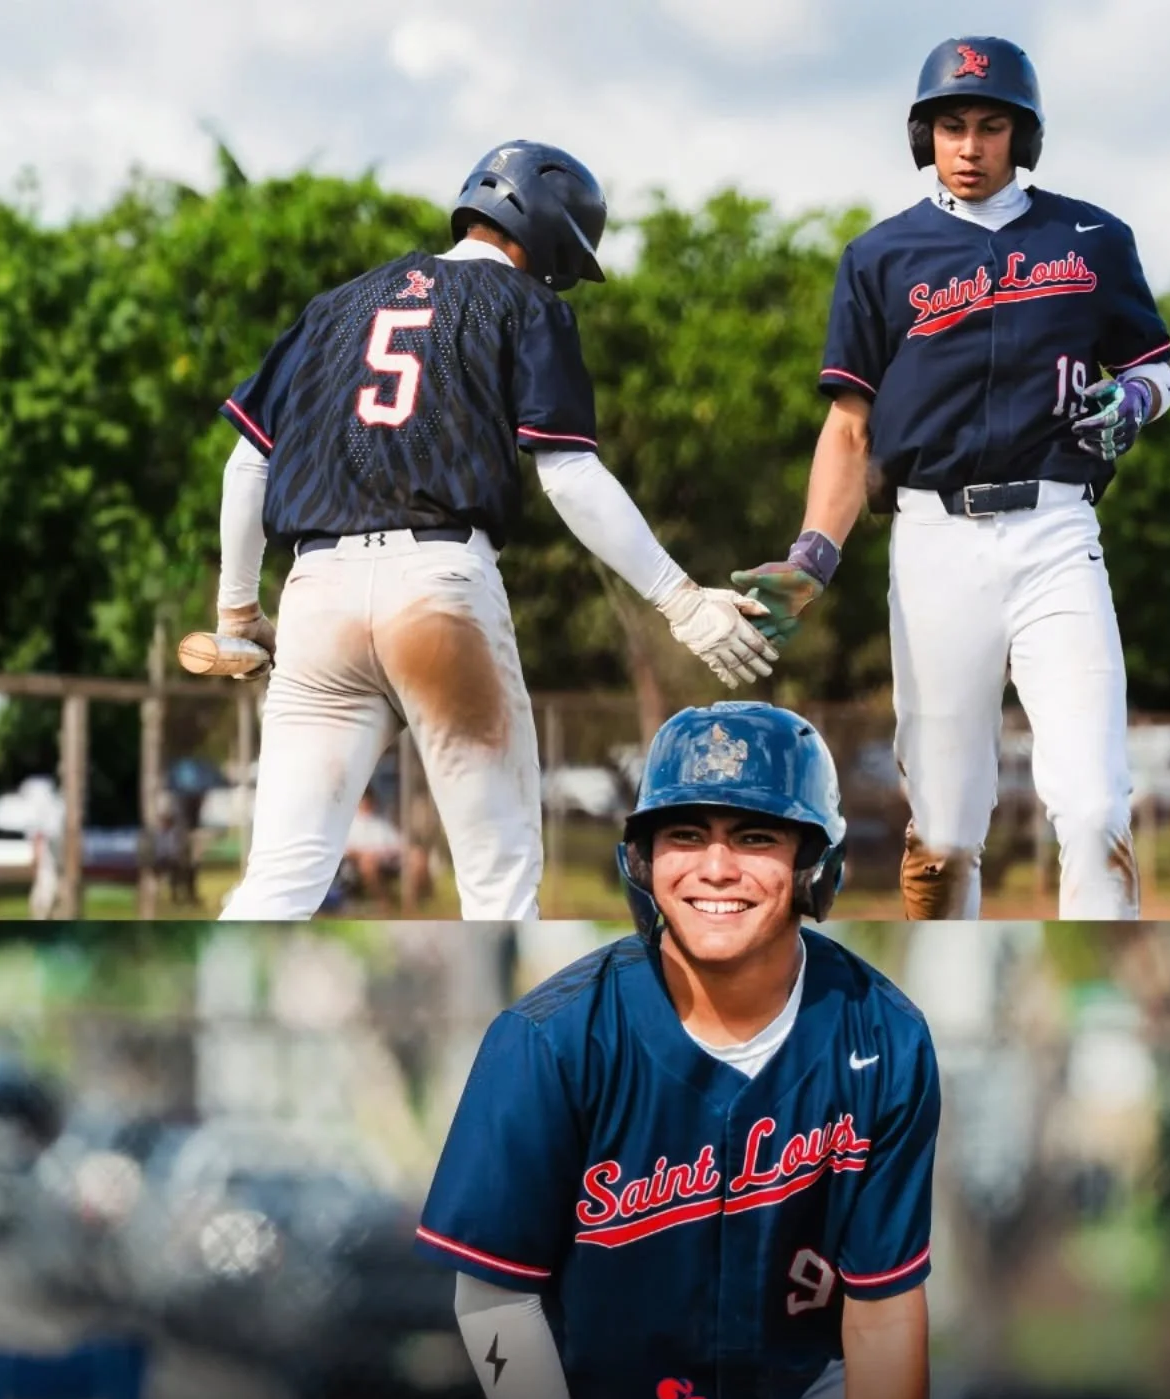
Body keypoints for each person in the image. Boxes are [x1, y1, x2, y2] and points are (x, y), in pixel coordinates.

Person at [414, 701, 941, 1399]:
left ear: (816, 863)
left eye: (758, 837)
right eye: (685, 834)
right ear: (642, 860)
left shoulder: (880, 1036)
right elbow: (495, 1303)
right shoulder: (554, 1039)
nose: (718, 868)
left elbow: (884, 1311)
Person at [211, 141, 776, 922]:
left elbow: (247, 467)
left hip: (316, 594)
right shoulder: (526, 305)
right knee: (498, 884)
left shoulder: (333, 307)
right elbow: (570, 474)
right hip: (437, 589)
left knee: (278, 881)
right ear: (545, 235)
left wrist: (237, 614)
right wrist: (680, 599)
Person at [732, 37, 1170, 922]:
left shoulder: (1090, 238)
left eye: (990, 125)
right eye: (950, 125)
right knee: (943, 836)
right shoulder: (880, 257)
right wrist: (814, 555)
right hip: (933, 542)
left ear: (1023, 136)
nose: (970, 145)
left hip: (1056, 533)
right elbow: (850, 428)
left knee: (1094, 807)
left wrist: (1131, 398)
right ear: (924, 136)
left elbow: (1159, 368)